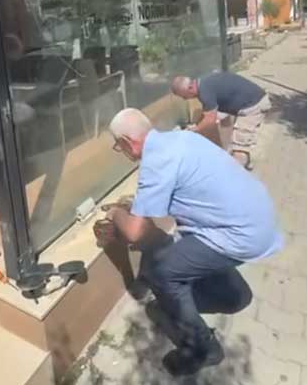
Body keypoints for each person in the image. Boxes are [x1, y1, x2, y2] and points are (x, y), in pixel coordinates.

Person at [101, 108, 282, 376]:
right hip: (262, 220)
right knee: (185, 252)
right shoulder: (182, 138)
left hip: (241, 235)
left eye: (119, 146)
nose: (122, 151)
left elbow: (136, 233)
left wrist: (116, 214)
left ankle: (203, 349)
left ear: (128, 143)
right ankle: (235, 297)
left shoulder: (156, 162)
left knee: (161, 273)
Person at [171, 73, 270, 169]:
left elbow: (210, 120)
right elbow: (209, 114)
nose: (185, 99)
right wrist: (199, 125)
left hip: (253, 106)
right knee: (237, 141)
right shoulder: (204, 83)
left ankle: (237, 174)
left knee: (239, 149)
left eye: (184, 96)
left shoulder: (205, 92)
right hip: (252, 99)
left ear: (190, 88)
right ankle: (245, 163)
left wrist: (195, 130)